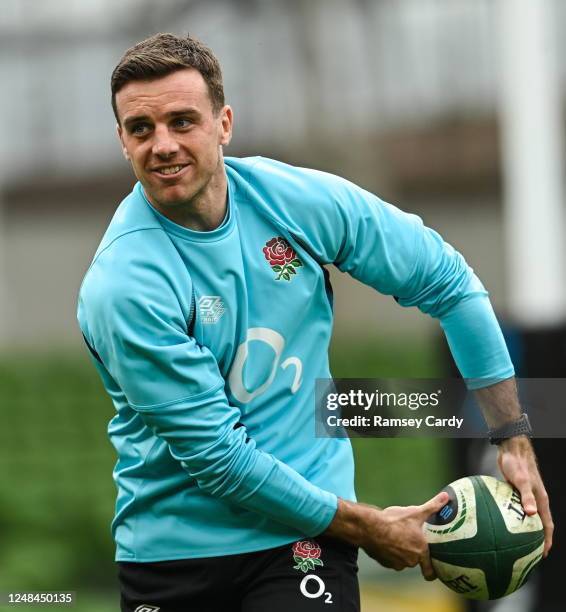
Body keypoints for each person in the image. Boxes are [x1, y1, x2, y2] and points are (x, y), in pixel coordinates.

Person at [77, 33, 553, 612]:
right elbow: (221, 462)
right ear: (123, 141)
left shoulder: (296, 202)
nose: (164, 145)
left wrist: (512, 436)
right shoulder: (125, 285)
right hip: (174, 555)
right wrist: (370, 526)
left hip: (301, 546)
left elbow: (448, 284)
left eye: (183, 121)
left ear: (223, 123)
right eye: (141, 129)